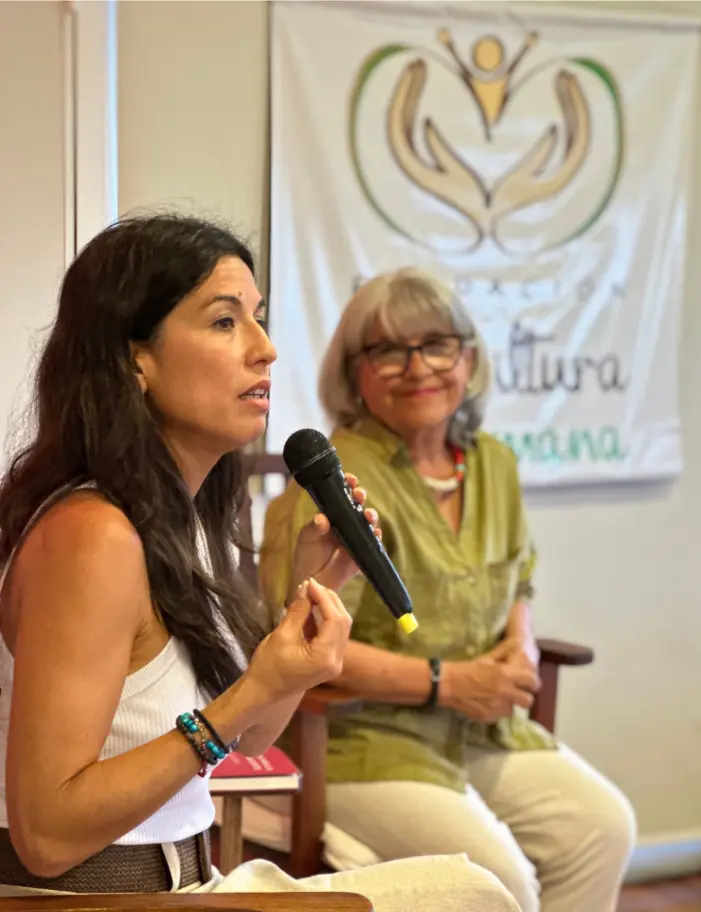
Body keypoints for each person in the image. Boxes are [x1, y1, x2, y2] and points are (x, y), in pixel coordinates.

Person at [0, 215, 520, 911]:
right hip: (86, 900)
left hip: (189, 881)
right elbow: (48, 834)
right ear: (135, 359)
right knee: (473, 895)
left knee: (477, 892)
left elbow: (252, 740)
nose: (266, 350)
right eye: (224, 322)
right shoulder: (91, 535)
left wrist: (298, 619)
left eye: (260, 319)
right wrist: (243, 696)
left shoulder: (184, 522)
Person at [260, 268, 637, 912]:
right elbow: (308, 640)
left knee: (603, 827)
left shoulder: (493, 462)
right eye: (389, 351)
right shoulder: (338, 480)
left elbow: (520, 577)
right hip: (363, 743)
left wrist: (519, 648)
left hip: (483, 731)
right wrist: (446, 682)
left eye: (437, 345)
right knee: (499, 884)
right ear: (354, 374)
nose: (418, 368)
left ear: (468, 358)